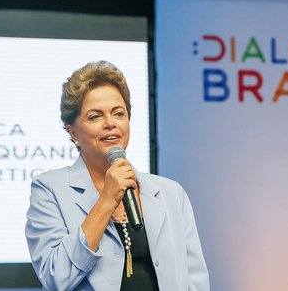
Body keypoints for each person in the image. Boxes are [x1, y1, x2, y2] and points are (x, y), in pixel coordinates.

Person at [25, 61, 210, 290]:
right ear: (72, 132)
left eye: (119, 113)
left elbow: (195, 280)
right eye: (95, 116)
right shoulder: (49, 189)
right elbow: (55, 278)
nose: (110, 123)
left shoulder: (171, 193)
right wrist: (106, 201)